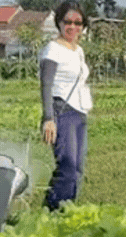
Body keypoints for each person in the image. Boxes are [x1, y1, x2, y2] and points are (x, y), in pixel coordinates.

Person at [39, 1, 92, 211]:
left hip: (79, 113)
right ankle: (51, 214)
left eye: (78, 22)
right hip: (62, 112)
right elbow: (46, 85)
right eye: (67, 21)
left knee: (77, 170)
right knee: (67, 169)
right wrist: (48, 119)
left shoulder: (78, 50)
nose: (73, 26)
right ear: (59, 23)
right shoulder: (52, 49)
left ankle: (68, 212)